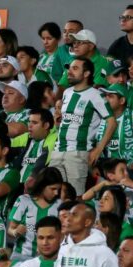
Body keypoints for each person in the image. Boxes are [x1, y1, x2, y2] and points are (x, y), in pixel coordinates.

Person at [51, 58, 115, 194]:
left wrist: (98, 149)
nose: (69, 72)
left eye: (75, 69)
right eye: (69, 68)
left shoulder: (96, 95)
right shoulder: (67, 93)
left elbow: (112, 122)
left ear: (86, 73)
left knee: (74, 195)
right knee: (54, 195)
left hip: (78, 152)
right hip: (58, 150)